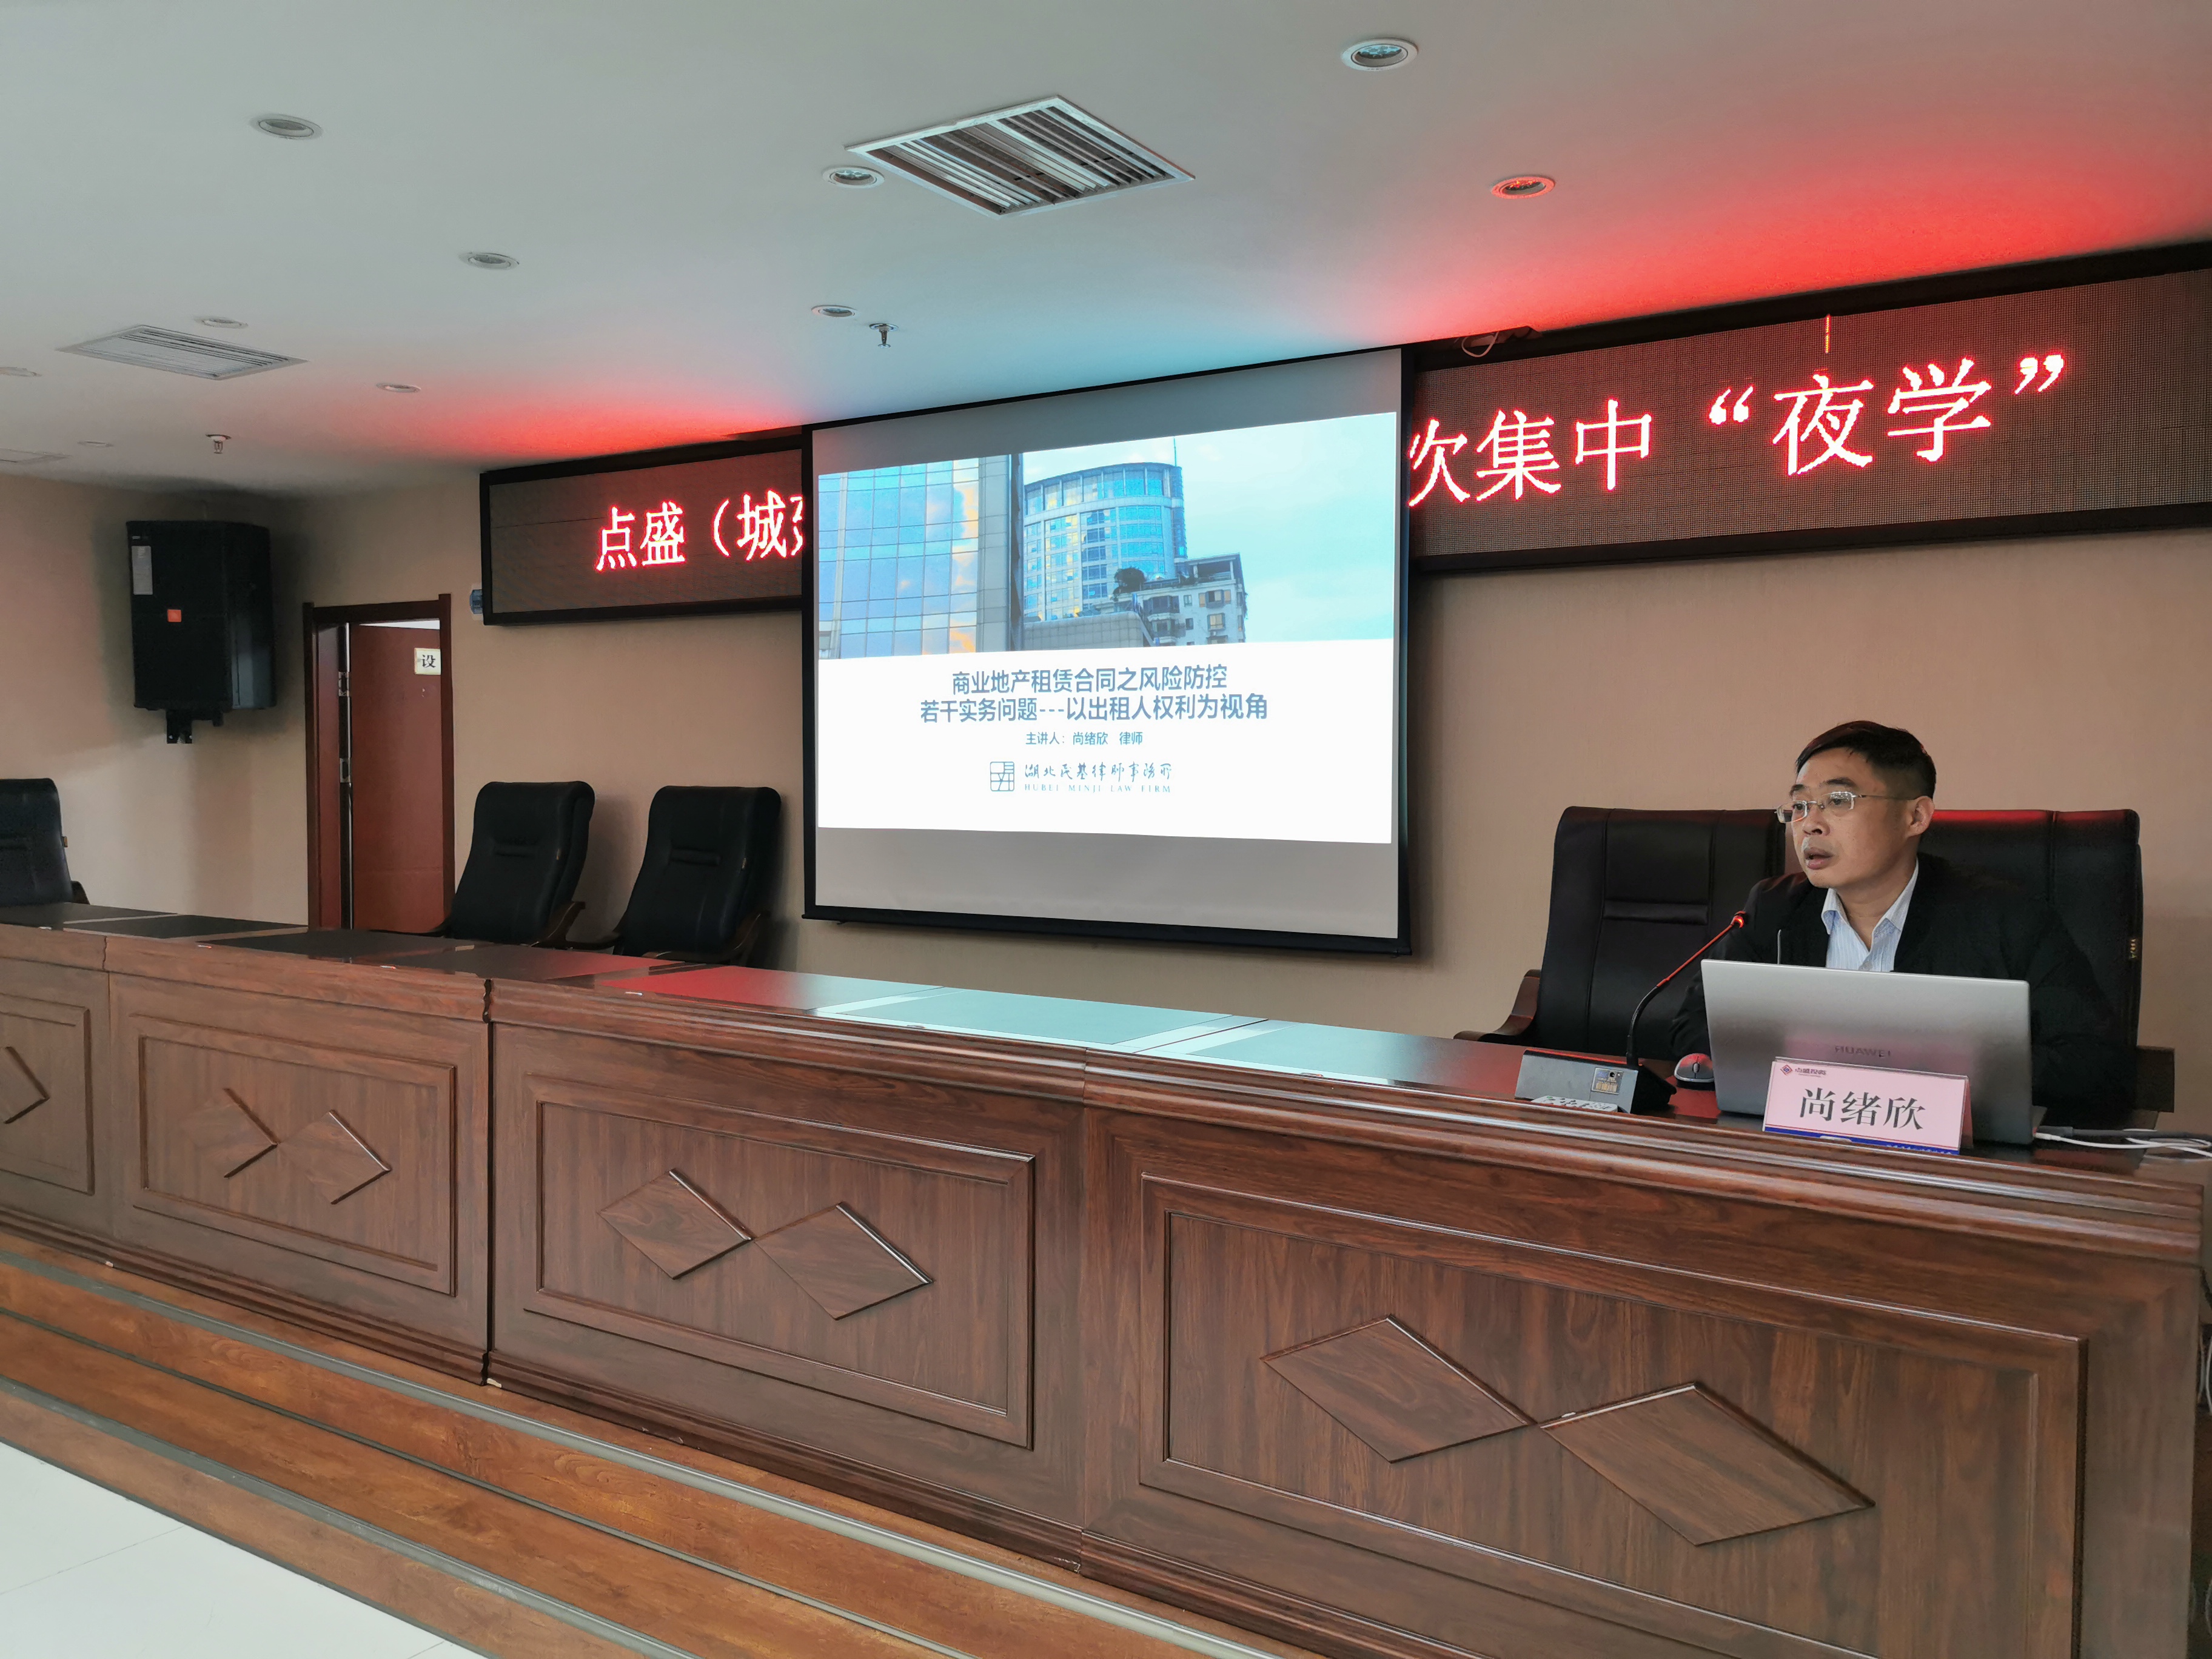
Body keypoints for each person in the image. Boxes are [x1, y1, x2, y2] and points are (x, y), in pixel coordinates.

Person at [1669, 720, 2128, 1119]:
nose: (1809, 824)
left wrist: (1931, 1069)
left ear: (1915, 816)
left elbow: (2095, 1064)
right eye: (1801, 805)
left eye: (1838, 801)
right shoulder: (1773, 909)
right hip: (1801, 1144)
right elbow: (1694, 1027)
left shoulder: (2008, 919)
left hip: (1953, 1160)